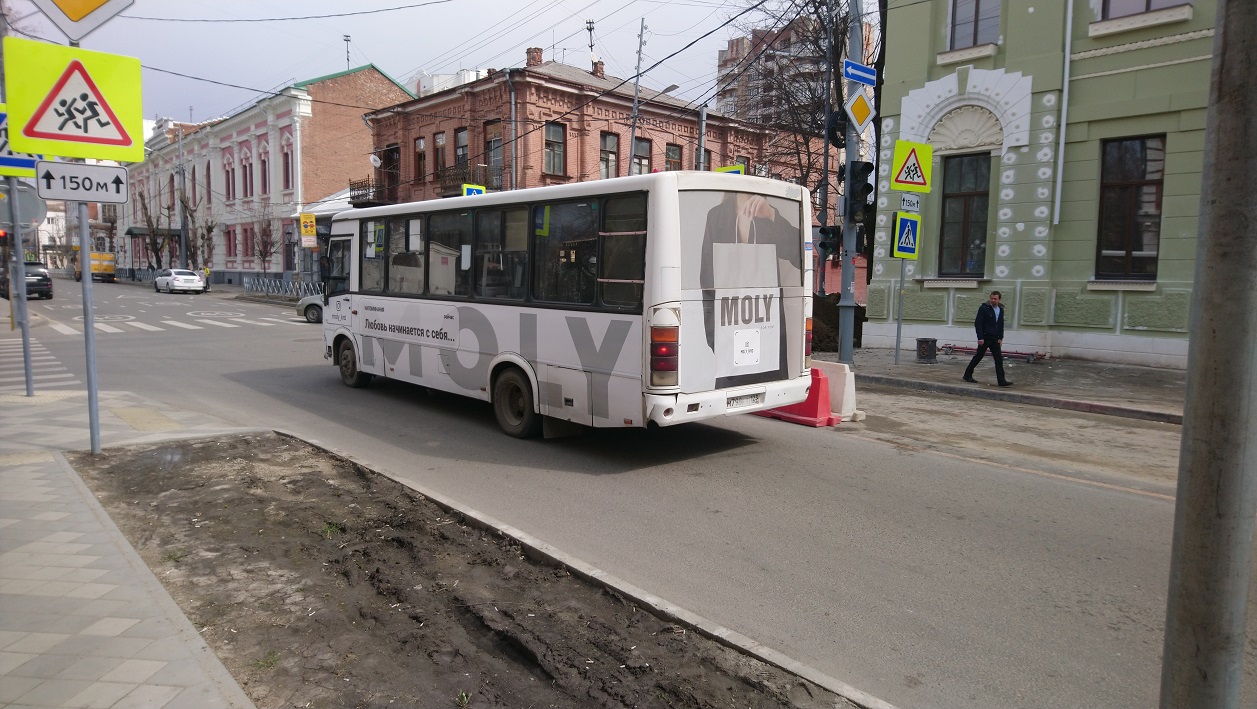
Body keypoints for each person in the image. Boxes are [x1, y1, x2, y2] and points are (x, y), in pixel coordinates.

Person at [963, 290, 1012, 387]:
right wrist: (980, 337)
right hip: (985, 337)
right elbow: (978, 323)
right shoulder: (984, 308)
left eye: (995, 299)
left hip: (995, 339)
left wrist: (1000, 338)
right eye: (992, 298)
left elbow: (1000, 325)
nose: (993, 300)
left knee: (998, 359)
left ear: (999, 300)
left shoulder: (1000, 310)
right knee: (979, 356)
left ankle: (1001, 380)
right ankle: (967, 374)